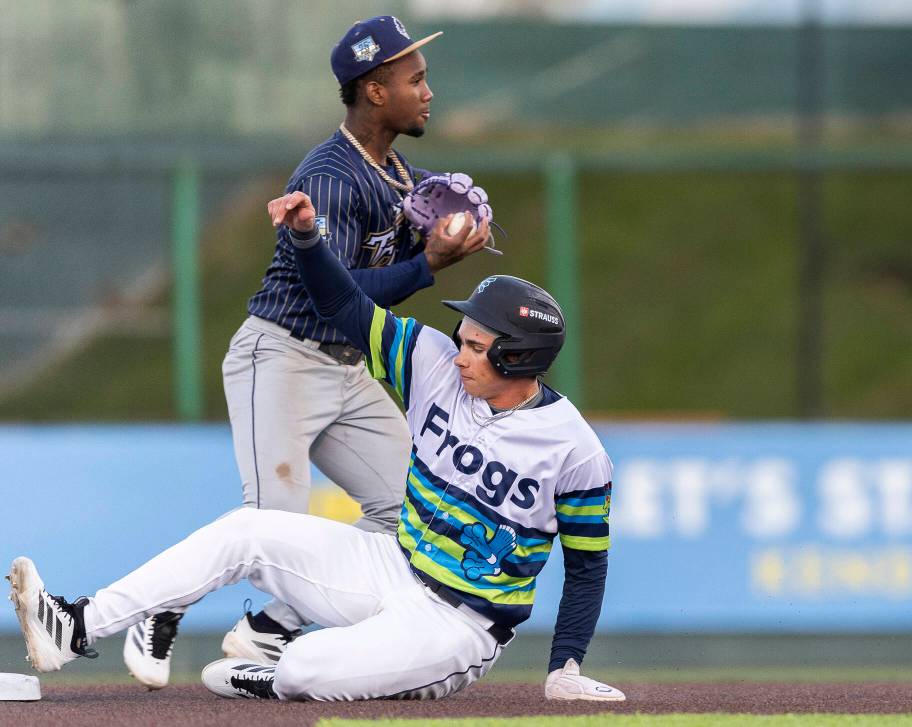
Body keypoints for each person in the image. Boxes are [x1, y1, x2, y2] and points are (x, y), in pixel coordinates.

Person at [9, 190, 624, 703]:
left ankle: (278, 676)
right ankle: (76, 624)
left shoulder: (574, 450)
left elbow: (588, 565)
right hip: (392, 565)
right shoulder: (433, 365)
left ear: (519, 356)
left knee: (309, 670)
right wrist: (307, 239)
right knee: (248, 529)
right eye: (461, 334)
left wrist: (564, 668)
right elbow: (343, 305)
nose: (459, 347)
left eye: (477, 342)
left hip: (458, 626)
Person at [123, 16, 493, 689]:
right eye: (415, 80)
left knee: (413, 508)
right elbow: (338, 298)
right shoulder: (328, 178)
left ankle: (270, 627)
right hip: (284, 354)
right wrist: (430, 262)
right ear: (375, 91)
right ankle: (158, 609)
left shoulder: (397, 170)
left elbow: (428, 209)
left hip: (346, 367)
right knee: (274, 524)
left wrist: (454, 216)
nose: (428, 91)